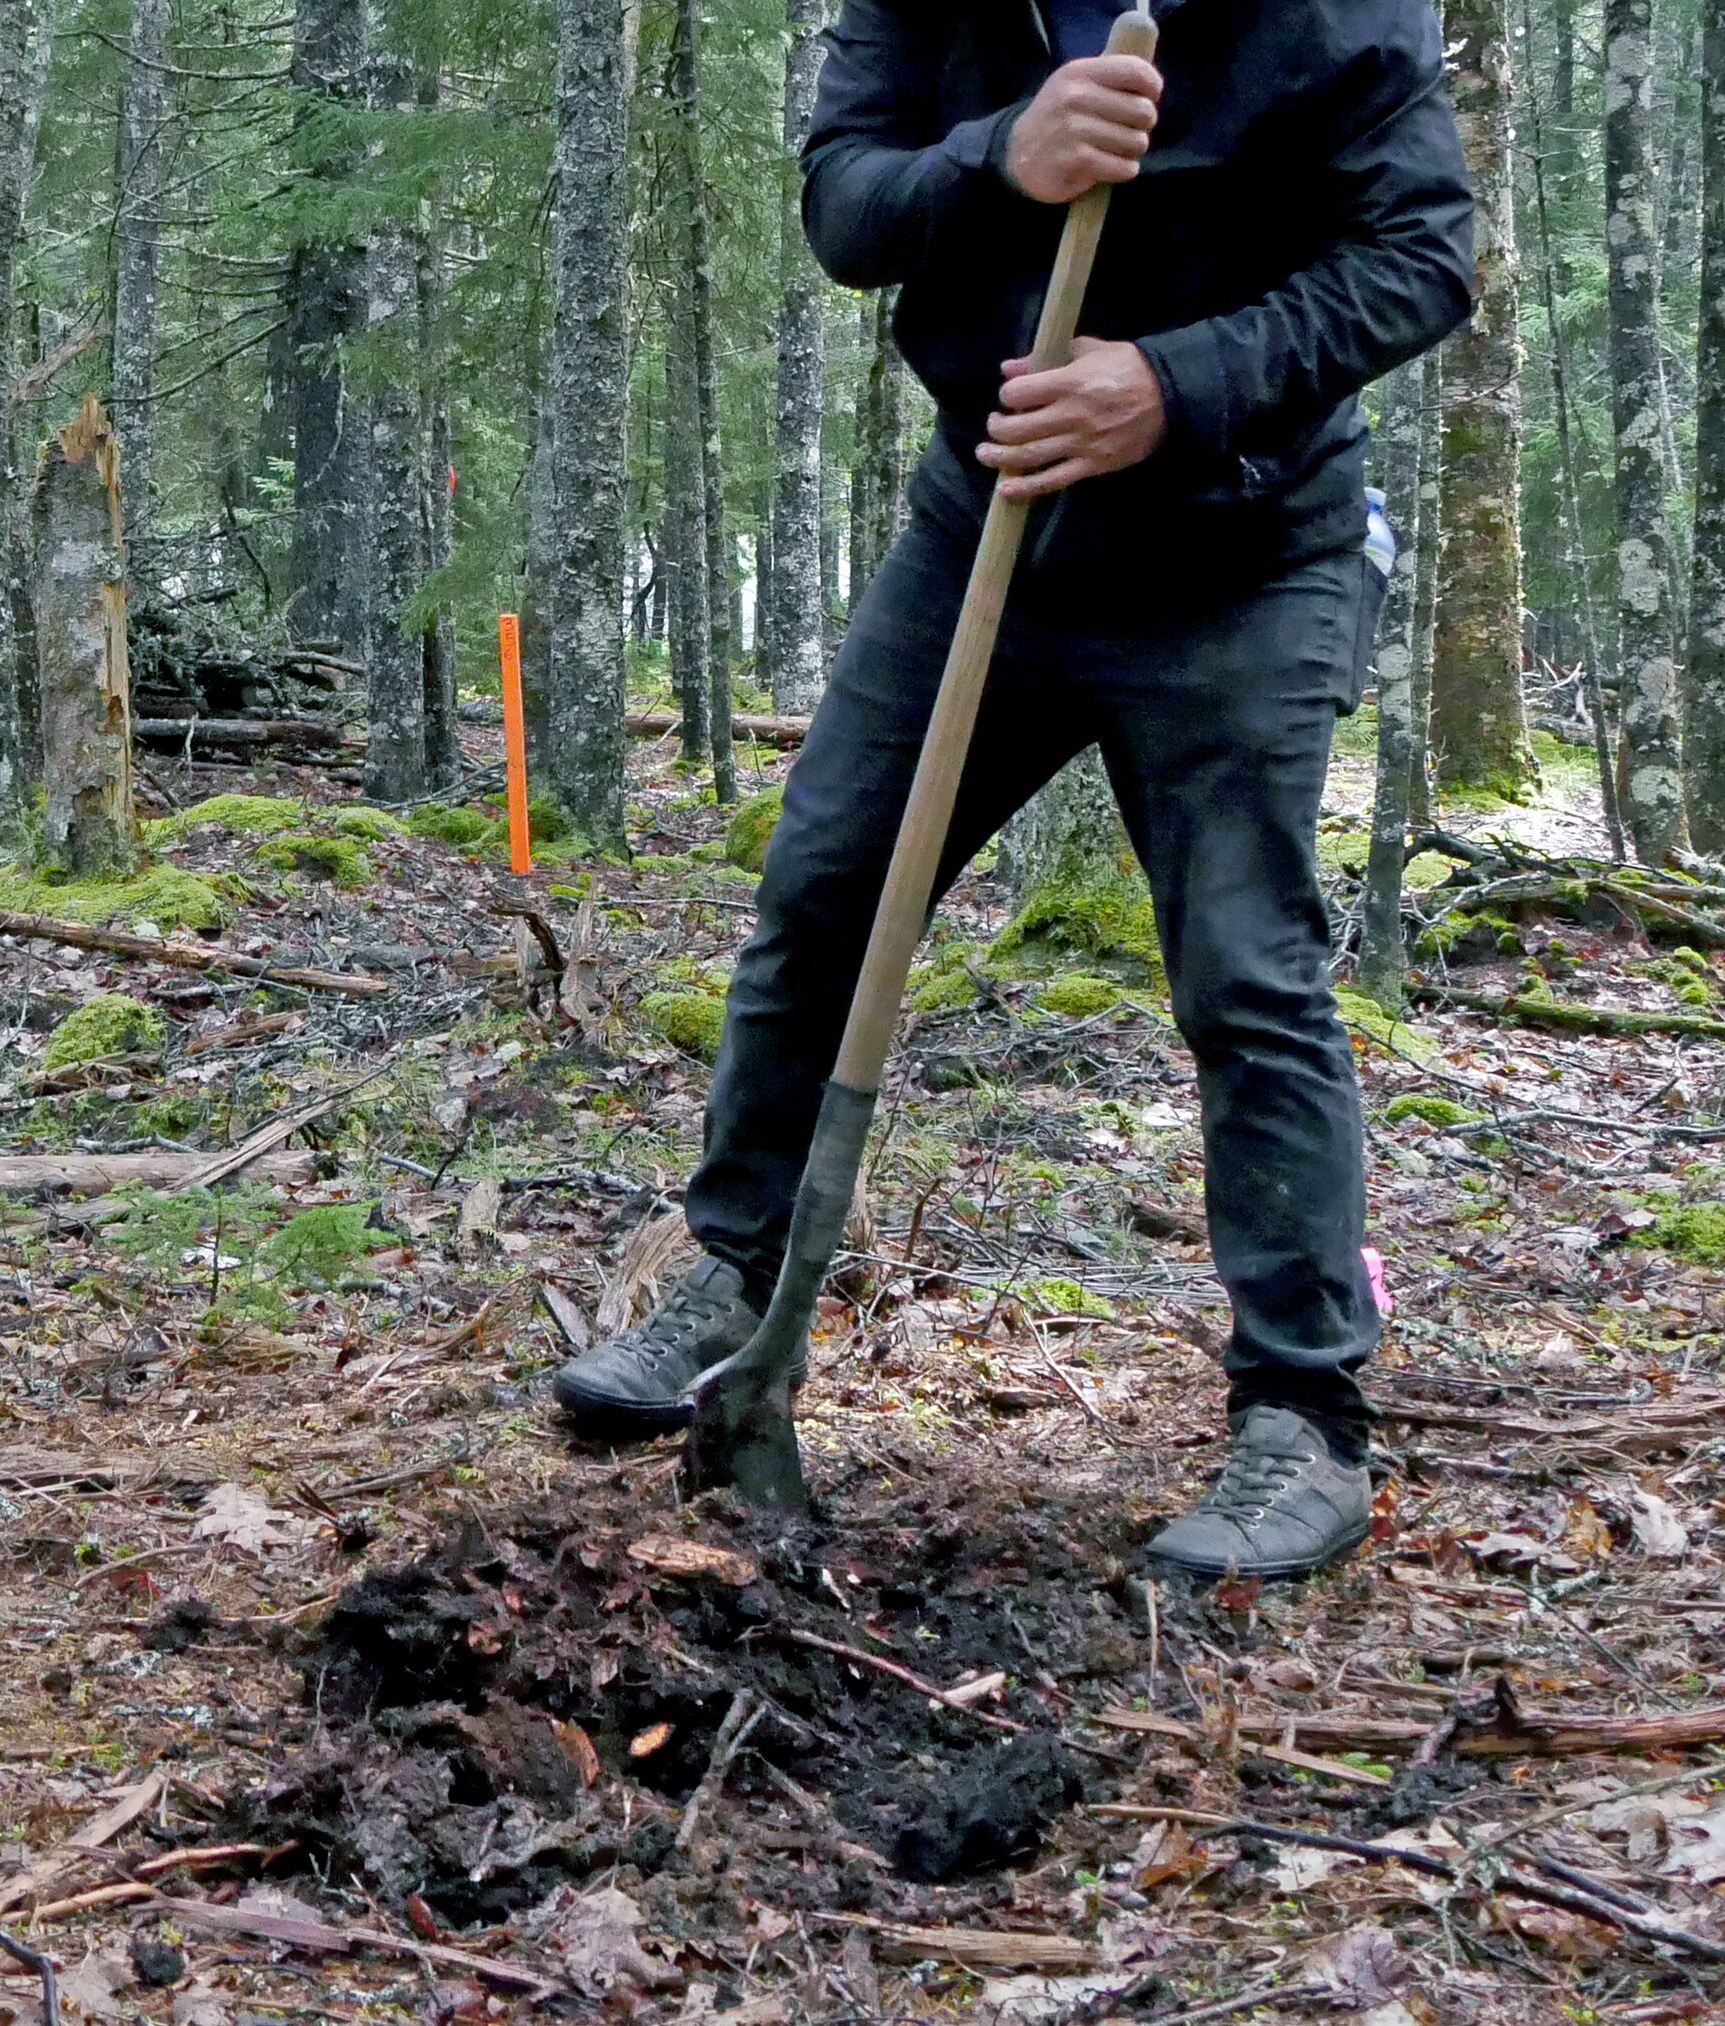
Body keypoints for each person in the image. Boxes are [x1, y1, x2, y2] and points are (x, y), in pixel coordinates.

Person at [550, 0, 1472, 1582]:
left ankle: (1304, 1422)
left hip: (1241, 552)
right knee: (826, 885)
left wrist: (1174, 385)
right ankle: (739, 1284)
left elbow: (1419, 258)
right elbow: (847, 201)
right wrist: (1005, 157)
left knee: (1248, 970)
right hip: (989, 525)